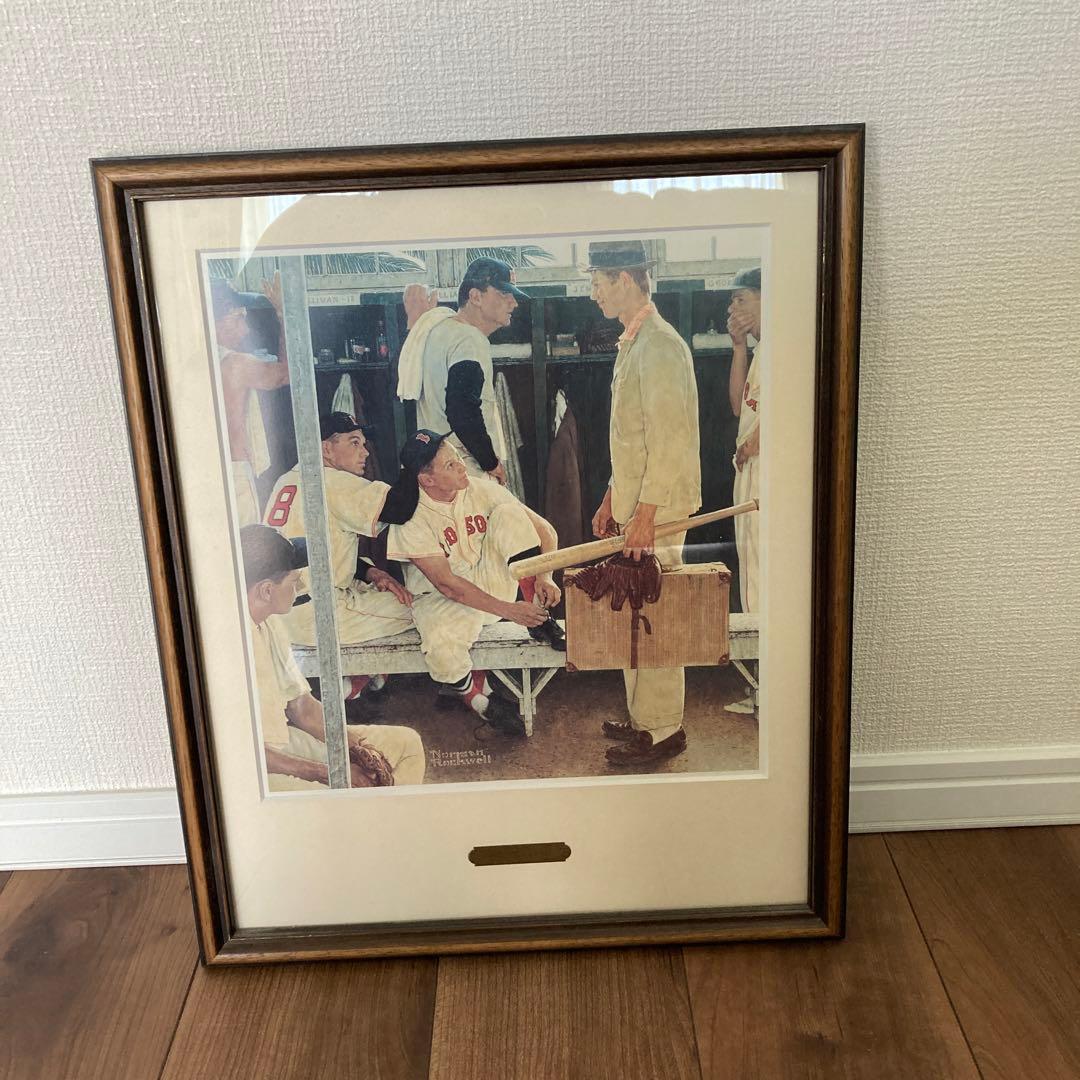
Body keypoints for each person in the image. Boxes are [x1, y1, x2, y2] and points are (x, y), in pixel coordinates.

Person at [586, 239, 701, 767]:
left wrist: (647, 516)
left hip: (660, 508)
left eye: (598, 283)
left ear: (626, 280)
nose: (593, 293)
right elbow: (631, 436)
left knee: (654, 611)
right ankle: (642, 719)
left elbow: (669, 441)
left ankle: (663, 729)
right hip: (637, 504)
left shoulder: (660, 346)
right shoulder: (633, 341)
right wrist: (613, 496)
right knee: (633, 607)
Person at [386, 430, 564, 736]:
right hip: (443, 600)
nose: (462, 467)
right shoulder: (411, 515)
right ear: (426, 479)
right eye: (450, 465)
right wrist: (509, 611)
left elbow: (545, 530)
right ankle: (481, 701)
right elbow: (447, 585)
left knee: (509, 514)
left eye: (457, 458)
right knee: (440, 646)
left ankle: (538, 616)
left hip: (488, 581)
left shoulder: (480, 487)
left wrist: (544, 576)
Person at [239, 524, 425, 791]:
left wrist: (358, 749)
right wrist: (330, 773)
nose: (302, 585)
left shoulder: (270, 623)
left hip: (283, 745)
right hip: (255, 771)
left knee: (406, 745)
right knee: (345, 797)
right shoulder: (228, 641)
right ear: (266, 590)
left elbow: (302, 707)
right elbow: (242, 751)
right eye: (293, 581)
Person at [263, 412, 417, 667]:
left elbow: (319, 550)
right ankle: (464, 682)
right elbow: (399, 509)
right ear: (326, 449)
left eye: (364, 444)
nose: (365, 452)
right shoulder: (331, 480)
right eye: (354, 443)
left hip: (283, 611)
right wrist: (414, 463)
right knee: (426, 607)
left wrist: (370, 572)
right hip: (317, 614)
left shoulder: (287, 479)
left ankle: (360, 682)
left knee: (389, 594)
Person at [397, 257, 529, 484]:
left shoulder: (439, 330)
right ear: (475, 297)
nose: (514, 303)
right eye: (504, 294)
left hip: (439, 468)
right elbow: (462, 410)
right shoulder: (469, 339)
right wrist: (490, 462)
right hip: (465, 469)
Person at [212, 276, 290, 526]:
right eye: (238, 318)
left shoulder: (192, 363)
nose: (245, 329)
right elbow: (286, 373)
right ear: (215, 321)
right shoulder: (234, 364)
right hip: (234, 475)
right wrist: (282, 313)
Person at [725, 266, 762, 715]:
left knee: (763, 574)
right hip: (749, 470)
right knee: (751, 572)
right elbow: (738, 406)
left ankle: (769, 690)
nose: (732, 308)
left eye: (741, 299)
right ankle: (760, 688)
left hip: (766, 472)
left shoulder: (786, 346)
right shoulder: (760, 350)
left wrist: (752, 444)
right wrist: (738, 348)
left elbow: (792, 410)